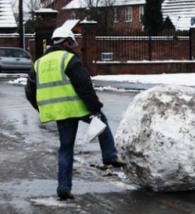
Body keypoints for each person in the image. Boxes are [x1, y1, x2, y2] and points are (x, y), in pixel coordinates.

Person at [25, 27, 125, 201]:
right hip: (78, 108)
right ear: (66, 42)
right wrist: (95, 107)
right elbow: (84, 86)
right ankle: (109, 155)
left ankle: (64, 187)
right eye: (72, 43)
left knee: (66, 149)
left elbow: (29, 91)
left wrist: (41, 108)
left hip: (59, 113)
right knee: (102, 121)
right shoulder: (69, 59)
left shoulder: (39, 63)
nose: (73, 47)